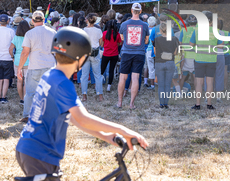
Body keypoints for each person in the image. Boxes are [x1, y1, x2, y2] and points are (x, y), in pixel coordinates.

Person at [15, 27, 148, 180]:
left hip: (31, 148)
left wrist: (105, 136)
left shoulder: (50, 75)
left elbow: (74, 118)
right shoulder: (62, 83)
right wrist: (123, 130)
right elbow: (84, 118)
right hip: (40, 154)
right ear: (82, 58)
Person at [18, 11, 57, 123]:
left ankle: (28, 115)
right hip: (50, 65)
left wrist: (20, 68)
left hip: (34, 66)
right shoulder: (53, 32)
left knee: (30, 93)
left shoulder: (29, 34)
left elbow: (25, 52)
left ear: (32, 21)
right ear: (44, 20)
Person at [117, 3, 149, 109]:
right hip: (139, 53)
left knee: (123, 77)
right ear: (140, 11)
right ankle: (131, 104)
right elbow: (146, 41)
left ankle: (120, 102)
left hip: (126, 52)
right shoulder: (145, 25)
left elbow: (121, 38)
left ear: (131, 11)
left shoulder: (124, 24)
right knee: (135, 78)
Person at [190, 11, 223, 110]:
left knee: (199, 83)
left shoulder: (196, 30)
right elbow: (221, 45)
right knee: (210, 82)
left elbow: (191, 44)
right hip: (212, 59)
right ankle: (209, 104)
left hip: (199, 59)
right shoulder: (215, 31)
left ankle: (198, 104)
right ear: (212, 22)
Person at [153, 23, 178, 108]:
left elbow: (155, 52)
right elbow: (175, 52)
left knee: (161, 84)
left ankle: (161, 103)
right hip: (170, 62)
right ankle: (166, 103)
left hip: (159, 62)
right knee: (168, 84)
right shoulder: (174, 39)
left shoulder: (156, 39)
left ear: (160, 30)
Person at [0, 14, 15, 103]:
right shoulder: (11, 31)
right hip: (8, 57)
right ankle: (3, 97)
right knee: (6, 79)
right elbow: (13, 45)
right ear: (8, 21)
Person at [81, 13, 104, 102]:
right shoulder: (98, 30)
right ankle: (100, 95)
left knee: (84, 75)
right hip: (95, 53)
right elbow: (101, 43)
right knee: (97, 75)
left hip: (85, 53)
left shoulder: (83, 30)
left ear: (87, 20)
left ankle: (84, 95)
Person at [9, 21, 30, 105]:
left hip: (18, 60)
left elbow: (10, 49)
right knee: (26, 81)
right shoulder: (29, 37)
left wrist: (12, 57)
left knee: (19, 81)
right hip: (28, 60)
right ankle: (25, 99)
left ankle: (21, 99)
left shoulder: (16, 37)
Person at [100, 20, 122, 92]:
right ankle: (109, 86)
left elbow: (102, 44)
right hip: (114, 54)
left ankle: (99, 84)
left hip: (106, 54)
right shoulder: (117, 34)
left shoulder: (104, 33)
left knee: (102, 70)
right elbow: (120, 43)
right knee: (111, 70)